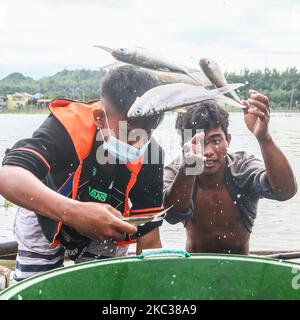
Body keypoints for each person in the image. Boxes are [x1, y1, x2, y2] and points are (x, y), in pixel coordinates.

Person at [0, 66, 165, 281]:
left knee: (102, 287)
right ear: (99, 118)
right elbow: (9, 176)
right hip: (45, 213)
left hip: (103, 227)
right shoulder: (67, 127)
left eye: (148, 132)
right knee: (37, 286)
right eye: (129, 130)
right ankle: (9, 278)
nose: (138, 143)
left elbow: (149, 239)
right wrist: (76, 214)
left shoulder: (151, 155)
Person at [163, 90, 297, 255]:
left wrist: (264, 138)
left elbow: (285, 192)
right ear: (184, 145)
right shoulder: (177, 171)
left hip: (240, 266)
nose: (208, 151)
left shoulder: (242, 168)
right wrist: (190, 166)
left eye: (216, 141)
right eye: (199, 143)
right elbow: (172, 215)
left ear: (229, 140)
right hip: (195, 266)